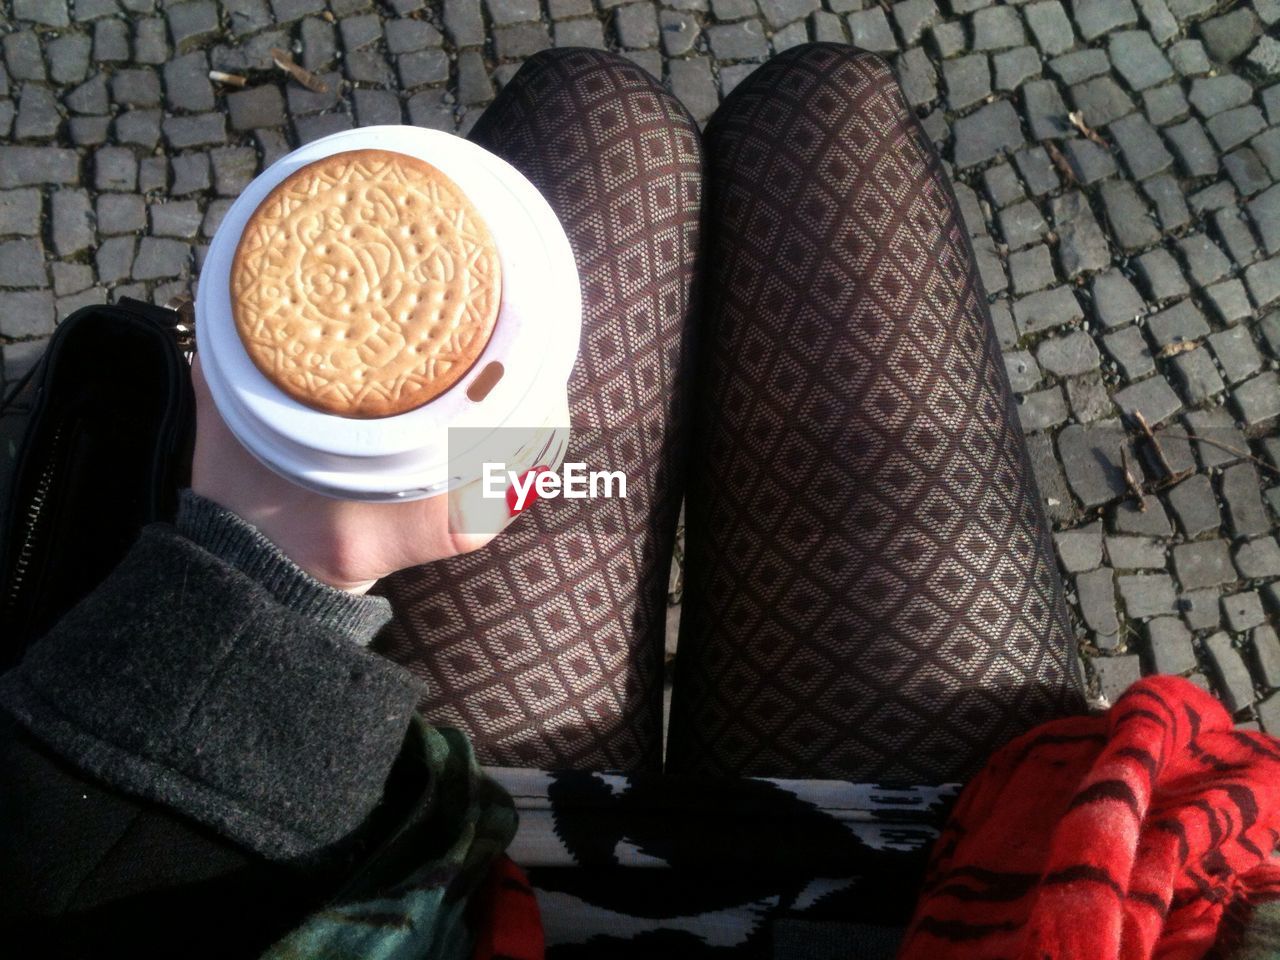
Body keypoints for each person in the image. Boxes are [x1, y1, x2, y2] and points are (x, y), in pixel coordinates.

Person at [11, 42, 1269, 960]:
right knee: (823, 111)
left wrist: (281, 563)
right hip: (964, 882)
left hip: (432, 869)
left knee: (602, 116)